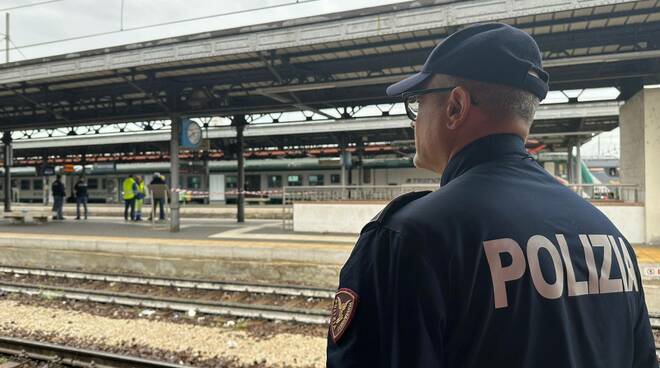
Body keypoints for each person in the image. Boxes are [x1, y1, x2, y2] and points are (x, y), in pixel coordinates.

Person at [326, 23, 656, 368]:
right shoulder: (611, 240)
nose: (414, 121)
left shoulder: (408, 239)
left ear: (455, 106)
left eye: (418, 103)